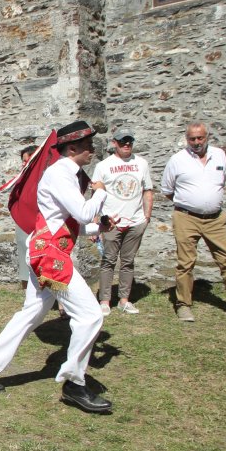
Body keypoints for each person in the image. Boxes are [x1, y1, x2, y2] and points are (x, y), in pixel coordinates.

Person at [0, 121, 113, 414]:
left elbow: (67, 225)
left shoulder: (65, 174)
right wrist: (100, 191)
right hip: (51, 260)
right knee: (90, 314)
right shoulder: (60, 174)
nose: (92, 150)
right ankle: (74, 383)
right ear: (72, 148)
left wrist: (101, 225)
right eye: (87, 146)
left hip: (46, 253)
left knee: (33, 310)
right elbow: (83, 212)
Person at [159, 122, 226, 322]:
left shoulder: (220, 155)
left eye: (200, 138)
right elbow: (167, 190)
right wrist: (190, 203)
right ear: (186, 138)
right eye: (192, 139)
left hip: (215, 219)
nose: (196, 142)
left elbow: (221, 181)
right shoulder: (177, 160)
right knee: (185, 263)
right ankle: (183, 305)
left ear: (207, 137)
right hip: (186, 218)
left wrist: (207, 202)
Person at [91, 128, 153, 315]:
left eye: (129, 141)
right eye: (123, 141)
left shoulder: (141, 163)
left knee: (128, 261)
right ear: (114, 143)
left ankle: (124, 300)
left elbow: (147, 190)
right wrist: (96, 221)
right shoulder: (104, 166)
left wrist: (146, 217)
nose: (127, 144)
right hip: (111, 221)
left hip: (135, 221)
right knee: (108, 261)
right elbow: (96, 193)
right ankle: (104, 300)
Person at [14, 146, 36, 291]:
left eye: (26, 160)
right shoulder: (21, 179)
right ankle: (28, 296)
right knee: (24, 261)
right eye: (22, 161)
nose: (23, 164)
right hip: (24, 224)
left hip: (41, 225)